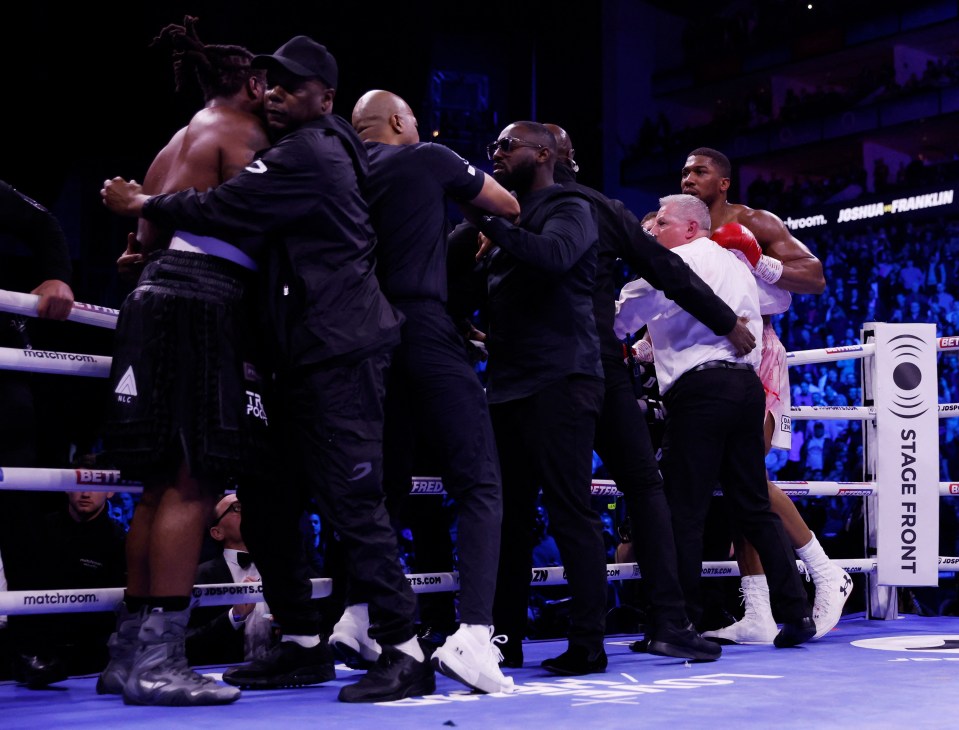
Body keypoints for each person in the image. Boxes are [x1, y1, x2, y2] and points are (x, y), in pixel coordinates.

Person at [101, 35, 433, 704]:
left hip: (335, 346)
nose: (276, 91)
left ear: (325, 97)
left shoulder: (308, 150)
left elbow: (217, 208)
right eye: (270, 81)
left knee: (338, 497)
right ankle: (301, 643)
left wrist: (143, 209)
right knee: (263, 494)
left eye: (291, 83)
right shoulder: (267, 144)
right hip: (278, 347)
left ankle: (404, 647)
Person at [95, 17, 271, 706]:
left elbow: (140, 244)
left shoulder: (174, 143)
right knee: (192, 481)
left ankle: (128, 655)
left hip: (154, 297)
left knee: (160, 481)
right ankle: (159, 665)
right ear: (254, 85)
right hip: (200, 302)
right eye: (272, 86)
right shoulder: (242, 136)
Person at [545, 124, 757, 661]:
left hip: (581, 369)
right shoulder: (585, 210)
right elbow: (671, 274)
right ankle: (679, 619)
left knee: (590, 496)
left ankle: (592, 636)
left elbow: (661, 275)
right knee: (658, 493)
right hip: (640, 369)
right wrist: (730, 321)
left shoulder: (525, 213)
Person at [344, 89, 519, 694]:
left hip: (363, 338)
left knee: (383, 483)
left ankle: (363, 617)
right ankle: (473, 634)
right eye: (413, 119)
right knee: (478, 480)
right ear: (397, 121)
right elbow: (506, 204)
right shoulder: (425, 157)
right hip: (421, 327)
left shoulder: (340, 173)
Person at [614, 193, 816, 648]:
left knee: (684, 510)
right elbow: (781, 299)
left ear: (689, 228)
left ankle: (680, 623)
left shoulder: (671, 263)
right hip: (745, 390)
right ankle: (797, 612)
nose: (652, 231)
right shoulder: (734, 262)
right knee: (752, 504)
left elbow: (621, 320)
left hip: (700, 391)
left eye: (661, 222)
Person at [448, 120, 607, 676]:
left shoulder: (570, 206)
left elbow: (557, 257)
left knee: (569, 510)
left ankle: (589, 643)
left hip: (561, 380)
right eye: (493, 145)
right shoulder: (501, 225)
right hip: (508, 385)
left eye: (505, 145)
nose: (494, 152)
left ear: (541, 154)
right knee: (509, 517)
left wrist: (490, 222)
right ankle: (504, 639)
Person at [679, 147, 852, 643]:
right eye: (685, 172)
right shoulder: (685, 229)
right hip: (705, 358)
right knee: (733, 483)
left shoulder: (753, 221)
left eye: (699, 171)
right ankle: (757, 611)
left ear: (724, 182)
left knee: (746, 476)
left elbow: (815, 277)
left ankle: (825, 572)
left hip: (757, 356)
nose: (689, 178)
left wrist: (764, 264)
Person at [0, 179, 76, 621]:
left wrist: (58, 275)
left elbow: (42, 221)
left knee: (18, 500)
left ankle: (33, 641)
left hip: (2, 364)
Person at [9, 490, 126, 688]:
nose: (86, 493)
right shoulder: (39, 531)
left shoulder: (118, 540)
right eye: (79, 485)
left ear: (109, 491)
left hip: (92, 654)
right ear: (66, 487)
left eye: (94, 486)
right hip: (34, 650)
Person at [187, 493, 276, 666]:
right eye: (238, 507)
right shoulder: (199, 577)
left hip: (279, 676)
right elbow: (186, 644)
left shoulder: (281, 569)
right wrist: (234, 617)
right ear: (217, 532)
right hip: (220, 676)